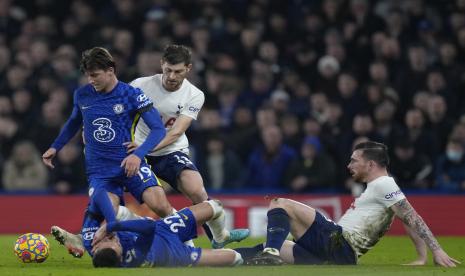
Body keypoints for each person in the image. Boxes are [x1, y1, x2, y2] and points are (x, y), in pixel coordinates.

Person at [240, 141, 459, 267]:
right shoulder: (380, 187)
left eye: (354, 160)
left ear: (371, 164)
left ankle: (270, 253)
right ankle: (214, 257)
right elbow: (407, 218)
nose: (349, 165)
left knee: (279, 203)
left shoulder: (383, 184)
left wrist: (436, 251)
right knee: (270, 247)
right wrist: (422, 257)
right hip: (335, 253)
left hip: (340, 244)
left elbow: (412, 216)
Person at [42, 47, 174, 255]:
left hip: (129, 163)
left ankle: (185, 246)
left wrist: (138, 155)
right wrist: (55, 146)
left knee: (160, 205)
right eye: (87, 75)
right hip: (100, 171)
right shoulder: (82, 94)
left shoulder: (131, 94)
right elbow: (73, 122)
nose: (90, 80)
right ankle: (97, 237)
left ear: (110, 70)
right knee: (110, 212)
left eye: (95, 75)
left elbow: (158, 129)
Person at [126, 44, 247, 247]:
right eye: (168, 70)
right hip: (139, 152)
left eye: (178, 71)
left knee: (198, 191)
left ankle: (219, 238)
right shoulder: (140, 84)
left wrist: (145, 149)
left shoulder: (195, 94)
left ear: (188, 69)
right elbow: (120, 113)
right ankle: (186, 243)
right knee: (159, 204)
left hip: (169, 150)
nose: (172, 76)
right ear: (162, 64)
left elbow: (176, 132)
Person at [55, 200, 245, 267]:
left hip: (164, 229)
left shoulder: (93, 241)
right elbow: (148, 228)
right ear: (121, 255)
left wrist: (97, 227)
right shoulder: (134, 258)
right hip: (173, 255)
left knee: (214, 206)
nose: (111, 238)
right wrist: (113, 226)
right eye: (115, 242)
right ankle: (258, 256)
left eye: (107, 239)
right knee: (234, 258)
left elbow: (95, 201)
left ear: (94, 248)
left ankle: (220, 239)